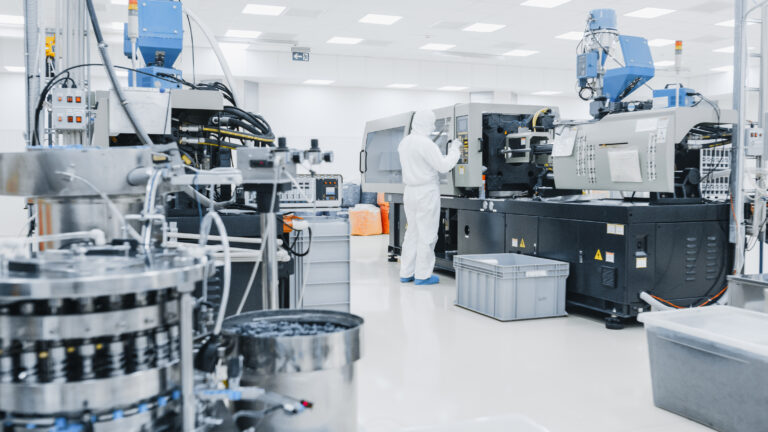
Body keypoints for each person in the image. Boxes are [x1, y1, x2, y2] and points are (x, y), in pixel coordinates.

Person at [397, 110, 461, 285]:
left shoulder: (405, 142)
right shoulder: (425, 144)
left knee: (412, 232)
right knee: (427, 233)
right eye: (432, 123)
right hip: (426, 192)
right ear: (425, 123)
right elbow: (443, 166)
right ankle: (423, 276)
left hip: (409, 191)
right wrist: (455, 149)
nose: (433, 126)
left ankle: (406, 272)